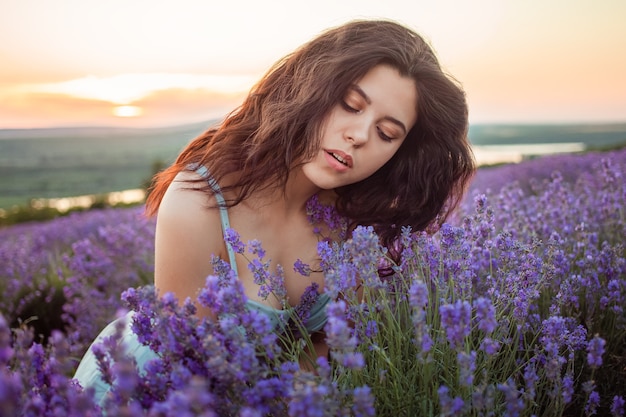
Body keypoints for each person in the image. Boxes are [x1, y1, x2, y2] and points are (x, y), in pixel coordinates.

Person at [73, 18, 475, 406]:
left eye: (387, 133)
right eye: (350, 105)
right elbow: (191, 364)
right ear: (310, 88)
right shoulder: (200, 200)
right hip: (148, 394)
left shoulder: (357, 221)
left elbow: (329, 343)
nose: (358, 135)